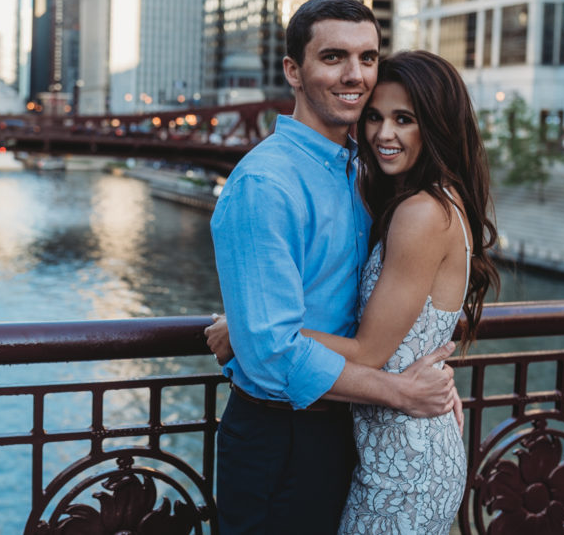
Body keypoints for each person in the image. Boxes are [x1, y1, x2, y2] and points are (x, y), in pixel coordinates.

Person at [210, 49, 499, 534]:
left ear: (437, 125)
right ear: (294, 71)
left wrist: (247, 329)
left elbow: (368, 350)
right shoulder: (400, 195)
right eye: (375, 117)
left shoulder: (421, 213)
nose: (384, 134)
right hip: (383, 439)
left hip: (401, 460)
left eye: (404, 119)